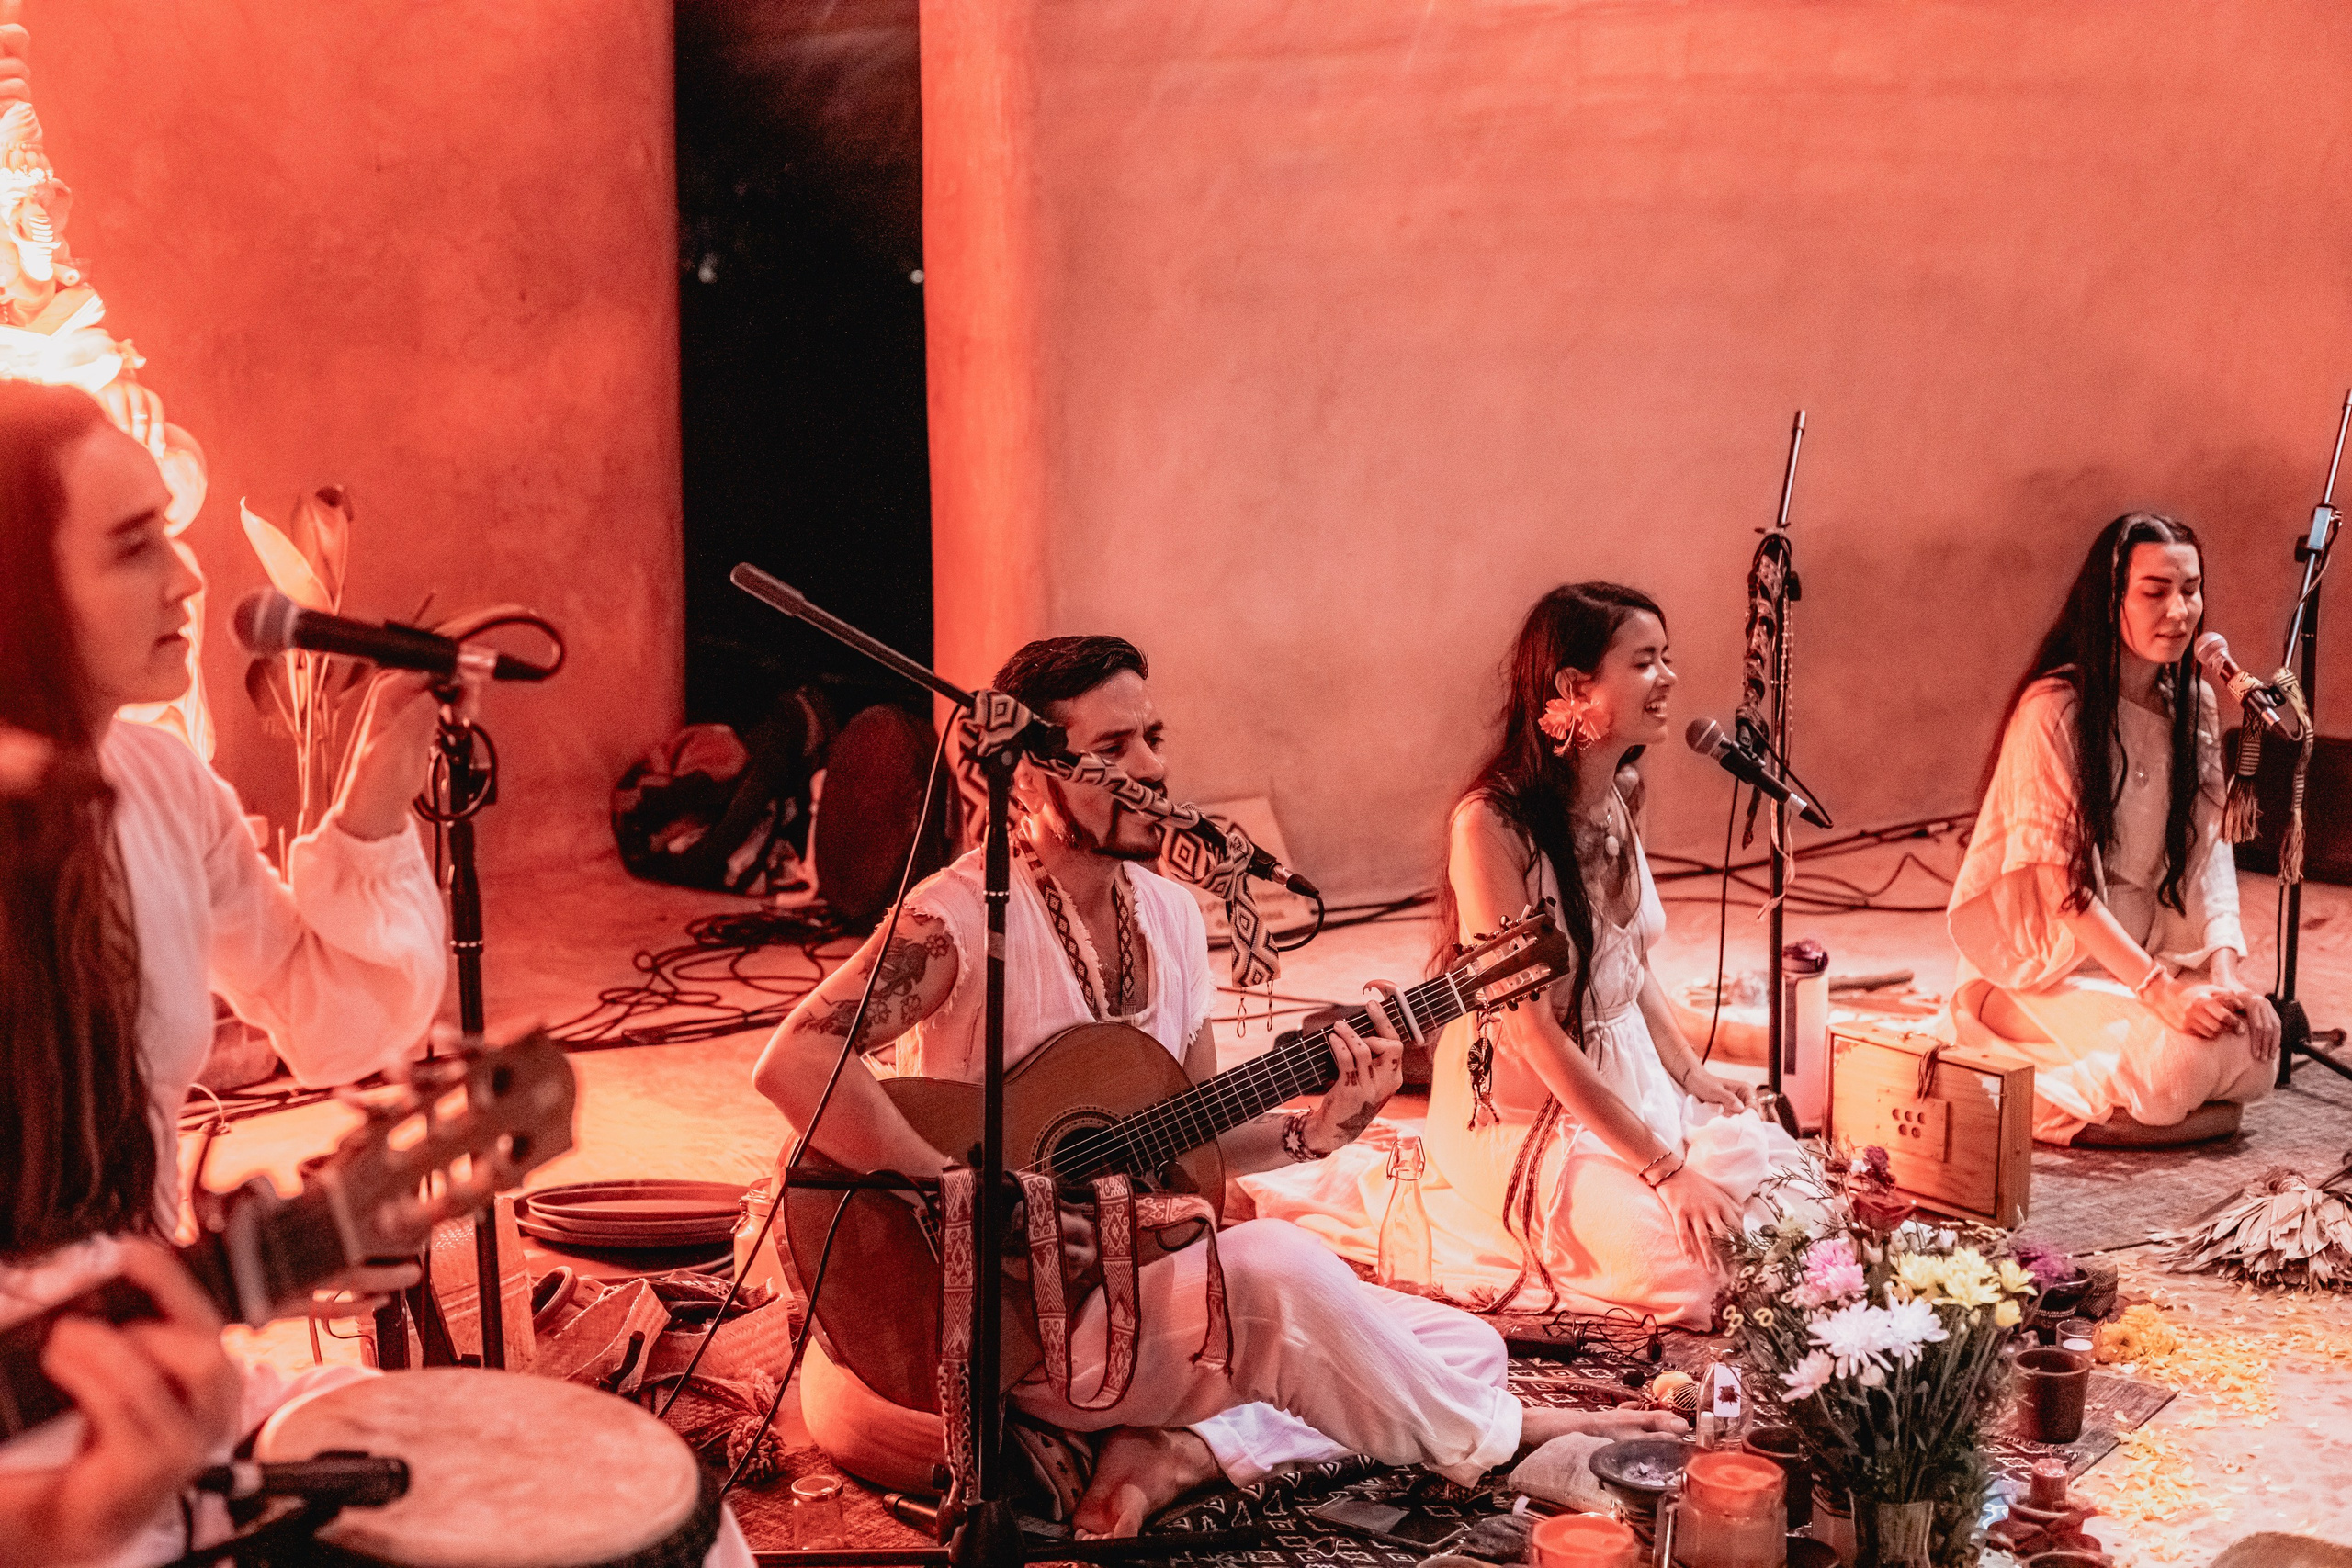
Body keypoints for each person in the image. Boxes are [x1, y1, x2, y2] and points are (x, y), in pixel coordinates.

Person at [0, 383, 782, 1568]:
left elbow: (332, 1020)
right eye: (132, 545)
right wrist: (73, 1520)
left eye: (171, 529)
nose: (189, 578)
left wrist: (373, 793)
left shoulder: (158, 788)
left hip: (141, 1391)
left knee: (666, 1523)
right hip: (49, 1489)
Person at [754, 636, 1679, 1537]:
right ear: (1029, 775)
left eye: (1152, 739)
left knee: (1456, 1347)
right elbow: (794, 1059)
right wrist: (950, 1186)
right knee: (1283, 1272)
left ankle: (1179, 1452)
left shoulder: (1165, 915)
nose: (1149, 767)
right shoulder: (957, 915)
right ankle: (1516, 1446)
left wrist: (1316, 1132)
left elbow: (1182, 1137)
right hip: (1008, 1312)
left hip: (1135, 1288)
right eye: (1111, 749)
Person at [1248, 584, 1800, 1329]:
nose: (1669, 679)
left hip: (1626, 1077)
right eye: (1644, 662)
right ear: (1573, 687)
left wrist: (1690, 1072)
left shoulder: (1620, 790)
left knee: (1797, 1198)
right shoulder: (1488, 824)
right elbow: (1534, 1033)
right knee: (1697, 1278)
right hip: (1518, 1107)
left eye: (1667, 658)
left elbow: (1626, 965)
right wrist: (1665, 1169)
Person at [1945, 512, 2279, 1145]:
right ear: (2110, 600)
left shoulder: (2196, 703)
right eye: (2155, 591)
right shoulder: (2054, 710)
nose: (2179, 610)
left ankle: (2140, 1100)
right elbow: (2061, 892)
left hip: (2143, 958)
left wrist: (2226, 978)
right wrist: (2159, 993)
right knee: (2179, 1062)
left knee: (2259, 1045)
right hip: (2044, 970)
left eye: (2191, 588)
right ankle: (2024, 1066)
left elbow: (2208, 858)